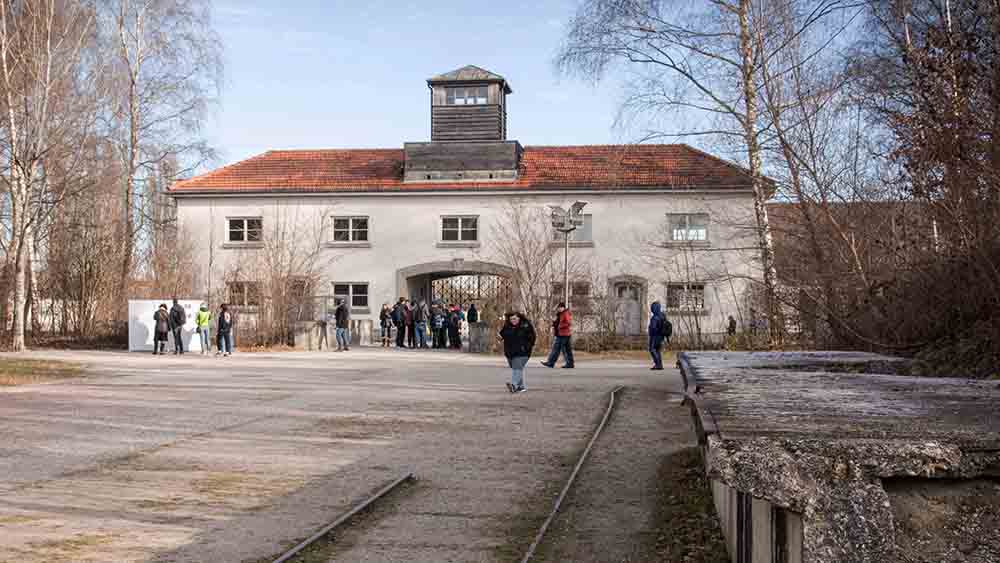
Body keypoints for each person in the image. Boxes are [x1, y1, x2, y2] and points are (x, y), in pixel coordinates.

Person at [498, 312, 536, 393]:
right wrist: (500, 338)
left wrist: (526, 347)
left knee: (517, 368)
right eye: (511, 319)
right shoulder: (507, 326)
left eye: (514, 319)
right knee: (517, 368)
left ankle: (514, 385)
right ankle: (520, 387)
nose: (513, 320)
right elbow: (502, 335)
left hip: (522, 353)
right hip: (510, 353)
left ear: (519, 318)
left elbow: (532, 337)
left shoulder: (526, 326)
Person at [541, 302, 575, 369]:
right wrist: (553, 323)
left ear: (563, 307)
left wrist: (560, 326)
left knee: (563, 349)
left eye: (559, 308)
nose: (558, 309)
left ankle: (567, 363)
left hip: (564, 334)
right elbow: (558, 322)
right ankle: (551, 363)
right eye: (558, 308)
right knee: (559, 349)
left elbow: (568, 323)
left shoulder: (565, 313)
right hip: (561, 334)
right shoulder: (560, 314)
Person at [648, 301, 672, 370]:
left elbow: (653, 327)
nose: (651, 309)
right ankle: (659, 365)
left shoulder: (655, 317)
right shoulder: (662, 315)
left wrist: (651, 332)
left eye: (652, 307)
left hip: (655, 336)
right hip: (661, 336)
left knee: (652, 349)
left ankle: (658, 364)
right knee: (657, 350)